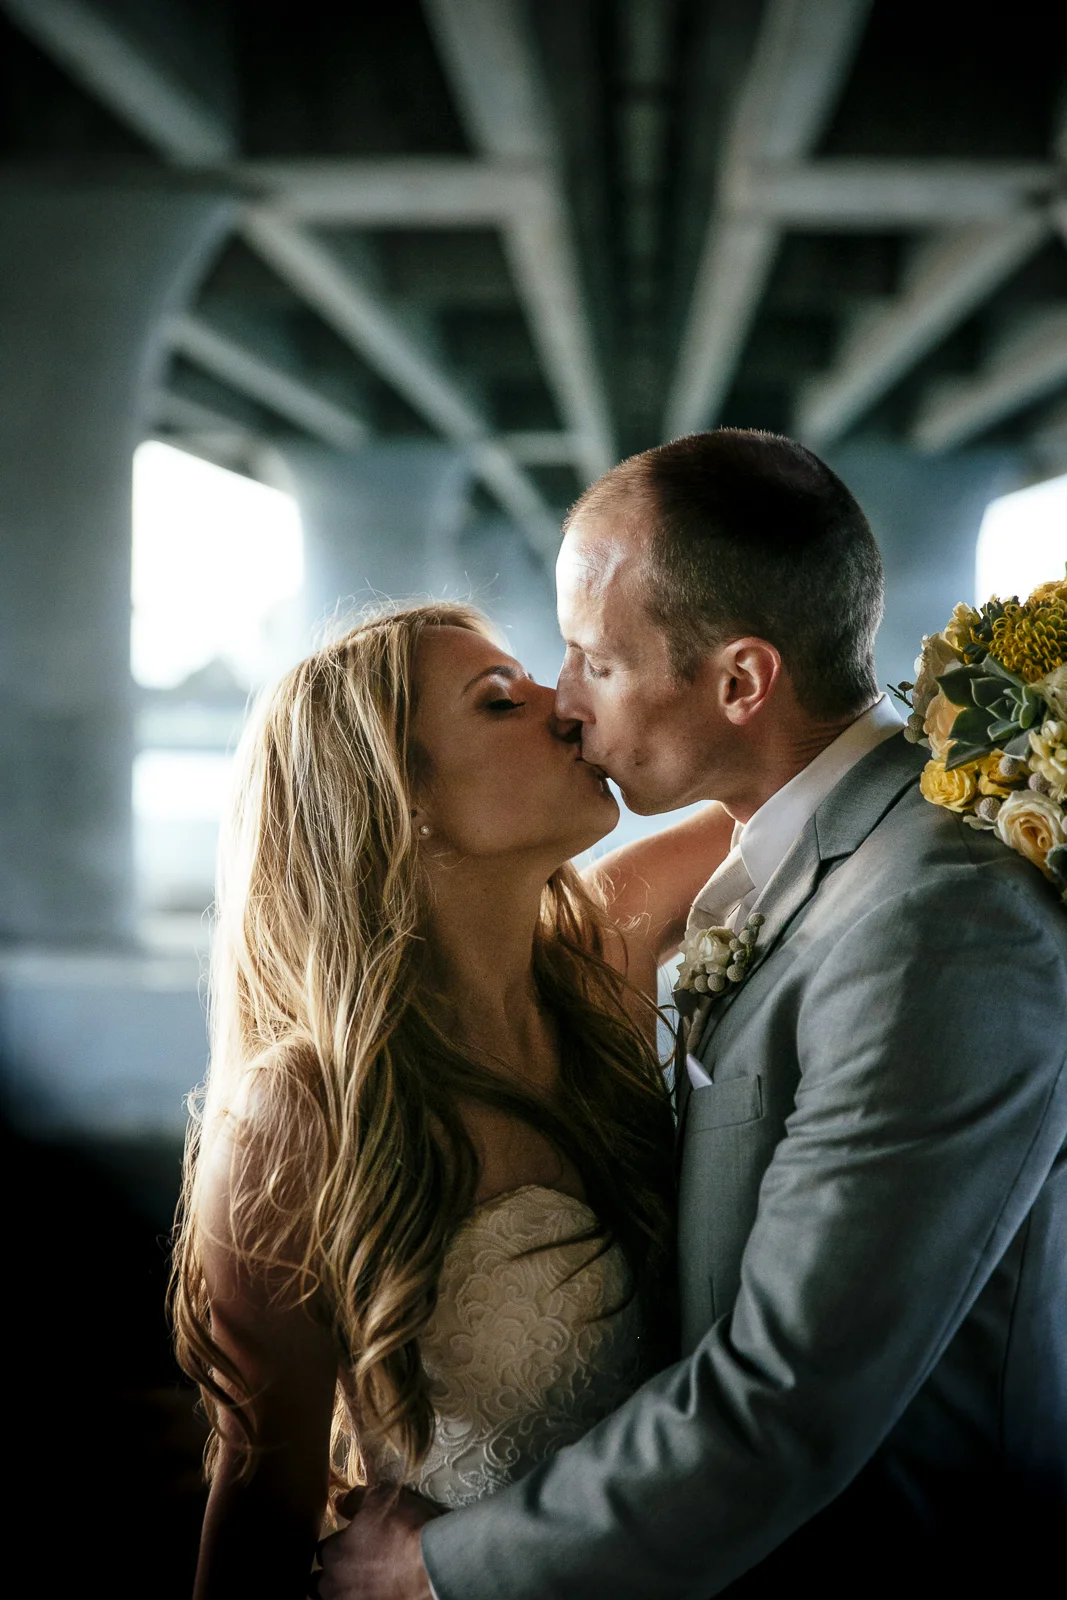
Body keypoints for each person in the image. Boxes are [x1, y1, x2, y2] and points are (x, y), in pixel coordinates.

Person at [319, 430, 1067, 1598]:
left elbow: (786, 1397)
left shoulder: (932, 918)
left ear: (737, 682)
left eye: (591, 662)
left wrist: (433, 1570)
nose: (563, 705)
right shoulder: (811, 859)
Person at [171, 600, 735, 1600]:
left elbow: (794, 783)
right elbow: (261, 1498)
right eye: (496, 700)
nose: (564, 705)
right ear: (398, 795)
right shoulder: (298, 1112)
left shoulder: (602, 959)